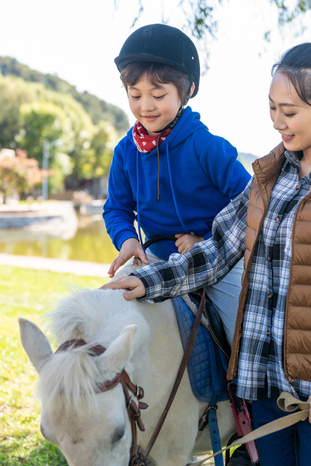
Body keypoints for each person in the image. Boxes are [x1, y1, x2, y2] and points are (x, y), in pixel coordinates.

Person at [104, 39, 311, 466]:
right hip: (264, 389)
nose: (278, 122)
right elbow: (218, 251)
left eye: (291, 111)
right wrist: (148, 281)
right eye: (272, 108)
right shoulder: (267, 176)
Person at [103, 24, 251, 344]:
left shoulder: (206, 146)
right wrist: (128, 240)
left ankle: (243, 393)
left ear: (187, 91)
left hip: (215, 265)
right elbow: (116, 208)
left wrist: (208, 241)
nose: (146, 106)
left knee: (243, 331)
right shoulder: (125, 151)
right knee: (105, 310)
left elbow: (252, 202)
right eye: (135, 95)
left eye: (158, 95)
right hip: (156, 260)